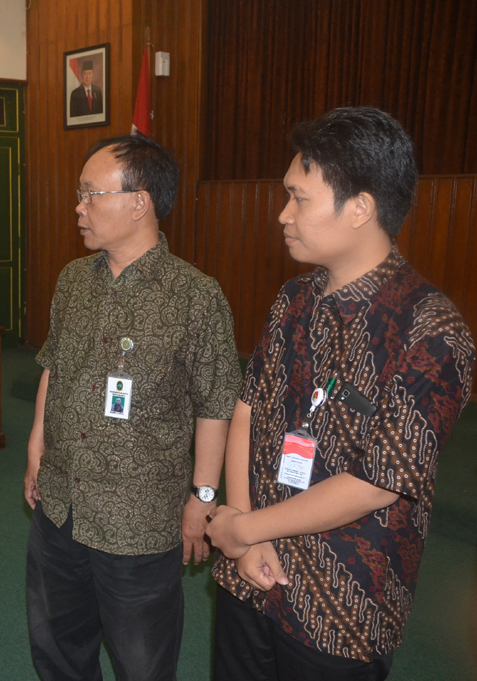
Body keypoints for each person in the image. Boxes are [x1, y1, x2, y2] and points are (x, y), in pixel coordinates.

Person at [206, 107, 475, 681]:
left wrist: (242, 527)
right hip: (249, 571)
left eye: (299, 198)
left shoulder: (433, 332)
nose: (282, 214)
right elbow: (249, 405)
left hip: (339, 604)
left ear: (361, 208)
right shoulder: (293, 298)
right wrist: (242, 528)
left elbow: (380, 482)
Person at [24, 133, 241, 681]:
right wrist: (35, 447)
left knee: (141, 661)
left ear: (139, 201)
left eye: (91, 194)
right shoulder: (74, 280)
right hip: (61, 501)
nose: (79, 207)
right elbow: (54, 365)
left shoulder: (195, 295)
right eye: (80, 194)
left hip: (138, 516)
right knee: (56, 645)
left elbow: (216, 403)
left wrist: (204, 497)